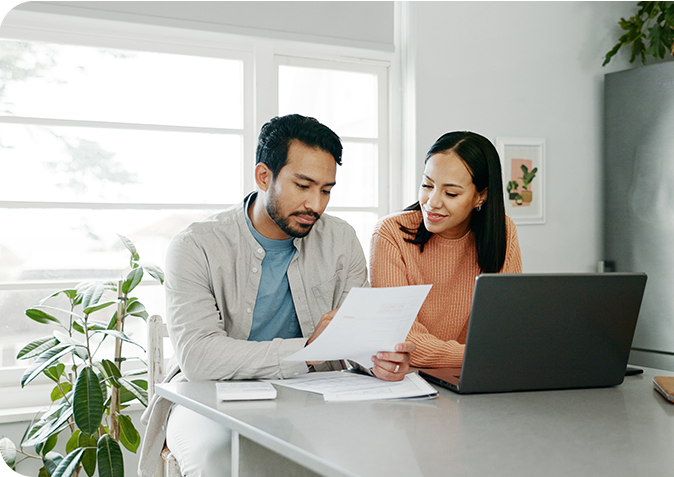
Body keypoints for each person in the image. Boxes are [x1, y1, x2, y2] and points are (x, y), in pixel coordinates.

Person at [138, 114, 415, 477]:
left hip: (315, 393)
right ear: (264, 176)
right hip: (210, 397)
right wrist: (309, 351)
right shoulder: (195, 246)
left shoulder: (341, 239)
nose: (316, 204)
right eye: (303, 185)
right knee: (220, 460)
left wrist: (379, 360)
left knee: (384, 450)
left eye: (327, 190)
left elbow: (353, 342)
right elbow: (200, 359)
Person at [369, 131, 522, 369]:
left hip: (481, 375)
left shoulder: (502, 231)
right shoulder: (391, 233)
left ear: (480, 196)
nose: (432, 202)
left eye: (451, 193)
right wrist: (479, 354)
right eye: (427, 185)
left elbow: (506, 327)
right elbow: (399, 337)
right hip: (411, 378)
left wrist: (493, 353)